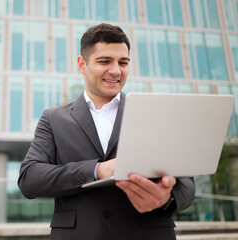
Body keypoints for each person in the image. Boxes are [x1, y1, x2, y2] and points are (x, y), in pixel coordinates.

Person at [18, 23, 195, 240]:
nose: (116, 70)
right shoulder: (53, 119)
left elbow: (186, 181)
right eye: (104, 61)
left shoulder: (155, 112)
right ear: (82, 65)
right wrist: (97, 170)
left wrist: (167, 199)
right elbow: (30, 179)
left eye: (123, 62)